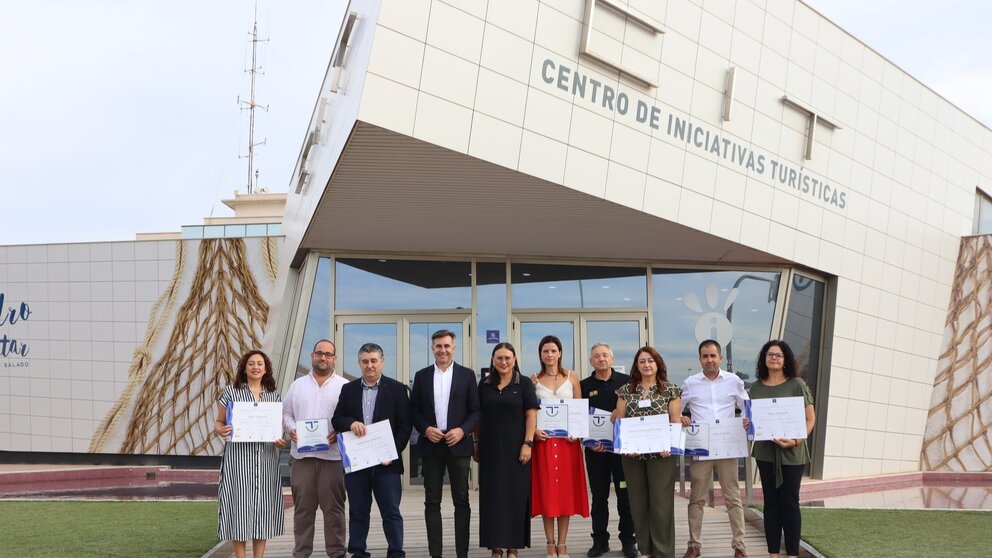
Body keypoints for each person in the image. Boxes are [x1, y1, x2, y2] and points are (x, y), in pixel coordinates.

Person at [331, 343, 412, 558]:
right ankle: (358, 552)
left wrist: (391, 452)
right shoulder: (348, 390)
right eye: (365, 361)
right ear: (359, 363)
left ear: (382, 362)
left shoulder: (397, 389)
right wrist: (351, 423)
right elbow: (337, 419)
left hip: (388, 465)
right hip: (358, 464)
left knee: (391, 513)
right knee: (358, 511)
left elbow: (405, 426)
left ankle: (396, 552)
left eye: (374, 360)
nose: (370, 365)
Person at [410, 329, 481, 558]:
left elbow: (476, 411)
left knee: (462, 500)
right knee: (432, 501)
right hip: (431, 444)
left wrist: (463, 430)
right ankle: (436, 554)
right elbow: (414, 411)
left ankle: (462, 554)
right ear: (432, 349)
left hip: (458, 444)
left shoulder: (467, 375)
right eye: (438, 346)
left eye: (446, 346)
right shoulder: (421, 376)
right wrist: (425, 428)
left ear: (454, 348)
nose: (442, 350)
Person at [679, 339, 750, 558]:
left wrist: (747, 419)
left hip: (727, 446)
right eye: (705, 356)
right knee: (697, 498)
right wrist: (682, 417)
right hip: (702, 447)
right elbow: (678, 409)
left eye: (713, 356)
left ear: (720, 357)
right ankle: (694, 546)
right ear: (700, 359)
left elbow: (745, 404)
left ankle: (739, 547)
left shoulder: (733, 381)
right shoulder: (690, 383)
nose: (709, 360)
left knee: (732, 497)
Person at [214, 350, 286, 558]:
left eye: (260, 364)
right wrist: (220, 429)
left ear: (266, 369)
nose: (255, 367)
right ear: (244, 368)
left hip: (265, 459)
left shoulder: (273, 395)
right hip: (238, 459)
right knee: (240, 507)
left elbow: (275, 429)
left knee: (262, 507)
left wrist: (279, 440)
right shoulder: (231, 392)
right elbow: (219, 422)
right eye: (251, 363)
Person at [747, 340, 815, 558]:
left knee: (790, 502)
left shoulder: (797, 384)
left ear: (786, 359)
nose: (773, 358)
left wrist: (795, 440)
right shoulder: (756, 387)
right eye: (769, 354)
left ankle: (792, 554)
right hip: (765, 453)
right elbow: (753, 419)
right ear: (764, 359)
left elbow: (810, 419)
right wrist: (749, 424)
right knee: (770, 503)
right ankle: (773, 553)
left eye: (778, 355)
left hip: (792, 452)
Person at [282, 339, 349, 558]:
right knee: (303, 511)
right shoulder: (297, 385)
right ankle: (301, 553)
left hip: (333, 457)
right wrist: (291, 429)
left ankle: (337, 552)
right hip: (302, 458)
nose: (323, 358)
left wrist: (339, 432)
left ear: (334, 358)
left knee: (334, 510)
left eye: (328, 354)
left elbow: (351, 418)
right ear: (312, 355)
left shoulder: (344, 387)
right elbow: (286, 412)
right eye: (319, 353)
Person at [614, 346, 682, 558]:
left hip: (662, 456)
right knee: (638, 503)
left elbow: (675, 422)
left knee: (661, 506)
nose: (646, 365)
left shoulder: (670, 390)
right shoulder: (626, 390)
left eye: (650, 361)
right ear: (636, 365)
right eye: (642, 361)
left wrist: (669, 445)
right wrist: (627, 447)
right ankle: (645, 550)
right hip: (632, 457)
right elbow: (620, 422)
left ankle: (663, 552)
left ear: (657, 363)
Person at [475, 342, 538, 558]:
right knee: (492, 496)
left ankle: (513, 547)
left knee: (515, 496)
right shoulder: (483, 385)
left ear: (514, 360)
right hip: (490, 446)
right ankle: (496, 547)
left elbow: (531, 415)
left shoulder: (525, 384)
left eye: (507, 358)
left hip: (516, 446)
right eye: (499, 358)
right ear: (493, 360)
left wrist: (528, 443)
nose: (503, 362)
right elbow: (478, 417)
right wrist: (476, 444)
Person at [531, 335, 589, 558]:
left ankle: (562, 544)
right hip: (544, 444)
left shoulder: (572, 376)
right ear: (540, 354)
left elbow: (579, 411)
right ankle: (549, 543)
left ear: (560, 353)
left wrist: (577, 432)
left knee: (565, 494)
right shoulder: (533, 380)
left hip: (568, 444)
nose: (549, 355)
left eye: (553, 351)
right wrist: (534, 430)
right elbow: (530, 412)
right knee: (548, 494)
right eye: (545, 351)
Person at [580, 343, 638, 558]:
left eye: (605, 355)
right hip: (596, 452)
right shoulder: (584, 385)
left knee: (625, 497)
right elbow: (579, 418)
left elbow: (635, 411)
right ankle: (600, 541)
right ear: (591, 361)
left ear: (612, 359)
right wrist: (588, 441)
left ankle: (628, 542)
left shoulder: (627, 383)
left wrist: (621, 410)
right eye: (596, 356)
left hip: (622, 452)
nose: (601, 359)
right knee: (599, 497)